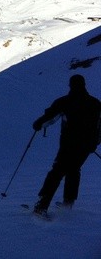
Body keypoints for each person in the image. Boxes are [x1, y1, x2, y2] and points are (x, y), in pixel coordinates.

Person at [31, 74, 101, 216]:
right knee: (74, 170)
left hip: (68, 145)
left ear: (70, 85)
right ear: (84, 84)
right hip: (86, 147)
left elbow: (50, 117)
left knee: (56, 172)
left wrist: (38, 124)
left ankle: (42, 205)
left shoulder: (64, 101)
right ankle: (68, 204)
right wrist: (95, 143)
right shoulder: (95, 103)